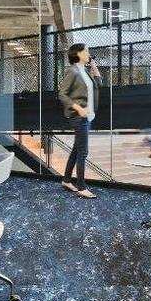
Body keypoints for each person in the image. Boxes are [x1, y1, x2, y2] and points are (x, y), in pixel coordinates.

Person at [58, 43, 102, 199]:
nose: (88, 53)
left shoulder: (85, 71)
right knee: (83, 152)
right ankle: (81, 187)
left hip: (87, 116)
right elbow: (62, 94)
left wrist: (93, 65)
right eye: (86, 51)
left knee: (77, 150)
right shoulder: (73, 71)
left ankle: (66, 180)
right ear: (78, 54)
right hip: (79, 116)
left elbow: (99, 84)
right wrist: (78, 108)